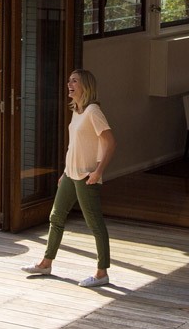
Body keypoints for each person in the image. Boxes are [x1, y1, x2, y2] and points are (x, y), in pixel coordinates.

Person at [20, 69, 117, 288]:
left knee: (95, 224)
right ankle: (46, 263)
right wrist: (65, 172)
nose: (69, 84)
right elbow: (75, 145)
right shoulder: (77, 110)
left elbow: (111, 143)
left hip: (86, 176)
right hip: (71, 175)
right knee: (56, 217)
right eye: (69, 81)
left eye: (75, 81)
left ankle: (102, 273)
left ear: (86, 86)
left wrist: (98, 172)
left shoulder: (93, 111)